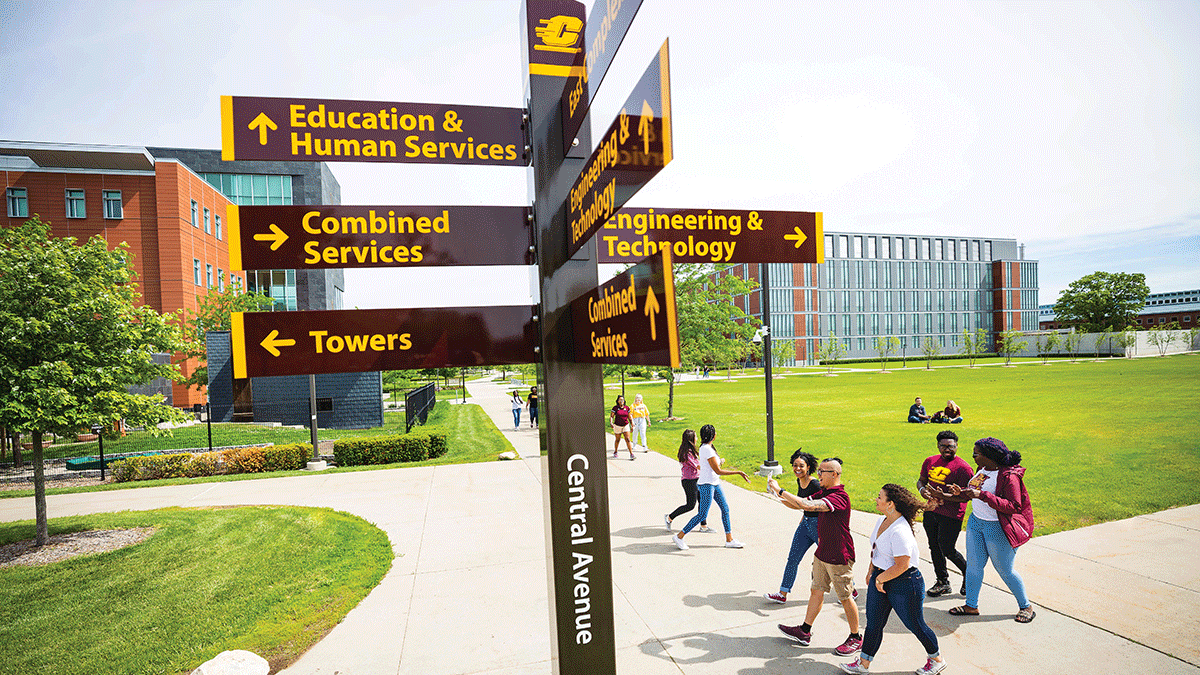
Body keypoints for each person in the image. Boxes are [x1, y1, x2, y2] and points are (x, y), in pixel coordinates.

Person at [838, 484, 946, 675]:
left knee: (915, 624)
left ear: (891, 504)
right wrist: (872, 570)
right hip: (881, 576)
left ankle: (936, 659)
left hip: (905, 582)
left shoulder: (900, 531)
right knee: (873, 623)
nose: (876, 499)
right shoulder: (882, 520)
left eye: (880, 497)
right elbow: (877, 548)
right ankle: (863, 664)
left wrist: (880, 580)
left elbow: (902, 564)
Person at [941, 437, 1036, 623]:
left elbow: (1014, 506)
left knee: (1005, 570)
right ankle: (971, 605)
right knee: (974, 566)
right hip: (976, 523)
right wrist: (960, 492)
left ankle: (1026, 606)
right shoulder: (981, 470)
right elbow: (974, 492)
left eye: (977, 453)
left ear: (989, 456)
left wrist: (982, 495)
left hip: (997, 527)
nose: (973, 455)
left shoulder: (1009, 476)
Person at [775, 458, 862, 657]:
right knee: (816, 591)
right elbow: (801, 506)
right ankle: (804, 631)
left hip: (839, 556)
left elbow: (807, 504)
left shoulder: (840, 497)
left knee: (846, 597)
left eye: (823, 471)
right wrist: (776, 494)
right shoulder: (824, 492)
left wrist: (781, 491)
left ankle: (856, 637)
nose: (819, 474)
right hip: (823, 553)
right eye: (820, 471)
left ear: (835, 474)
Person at [672, 424, 749, 550]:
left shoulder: (707, 447)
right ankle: (679, 536)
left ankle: (729, 540)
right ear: (714, 436)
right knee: (702, 515)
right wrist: (738, 472)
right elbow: (718, 471)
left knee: (725, 509)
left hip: (715, 483)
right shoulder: (707, 449)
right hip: (707, 485)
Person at [916, 430, 973, 597]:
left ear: (956, 446)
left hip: (951, 515)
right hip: (931, 511)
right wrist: (922, 491)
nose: (947, 449)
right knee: (934, 547)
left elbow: (965, 497)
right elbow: (921, 481)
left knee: (948, 549)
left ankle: (968, 575)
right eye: (943, 446)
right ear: (938, 446)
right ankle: (942, 582)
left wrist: (943, 496)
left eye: (950, 446)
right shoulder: (930, 461)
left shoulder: (963, 468)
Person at [763, 449, 822, 604]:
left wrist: (780, 490)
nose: (797, 468)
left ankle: (851, 589)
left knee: (830, 560)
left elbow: (812, 505)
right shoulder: (800, 481)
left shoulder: (815, 484)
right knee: (793, 558)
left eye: (801, 466)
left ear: (808, 467)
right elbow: (798, 505)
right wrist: (776, 496)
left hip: (819, 526)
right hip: (806, 524)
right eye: (795, 465)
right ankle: (783, 593)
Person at [663, 429, 708, 533]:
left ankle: (703, 526)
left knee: (702, 501)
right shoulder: (687, 453)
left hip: (697, 479)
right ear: (691, 439)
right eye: (695, 437)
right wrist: (713, 465)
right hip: (689, 481)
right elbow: (698, 466)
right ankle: (669, 517)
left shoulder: (691, 451)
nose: (697, 439)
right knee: (690, 505)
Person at [609, 394, 635, 460]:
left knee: (628, 439)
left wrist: (632, 424)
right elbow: (612, 416)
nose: (621, 401)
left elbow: (630, 417)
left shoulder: (627, 408)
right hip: (617, 425)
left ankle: (631, 454)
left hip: (625, 425)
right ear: (617, 401)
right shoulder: (615, 408)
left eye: (622, 400)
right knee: (618, 439)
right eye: (620, 400)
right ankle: (615, 451)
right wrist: (611, 422)